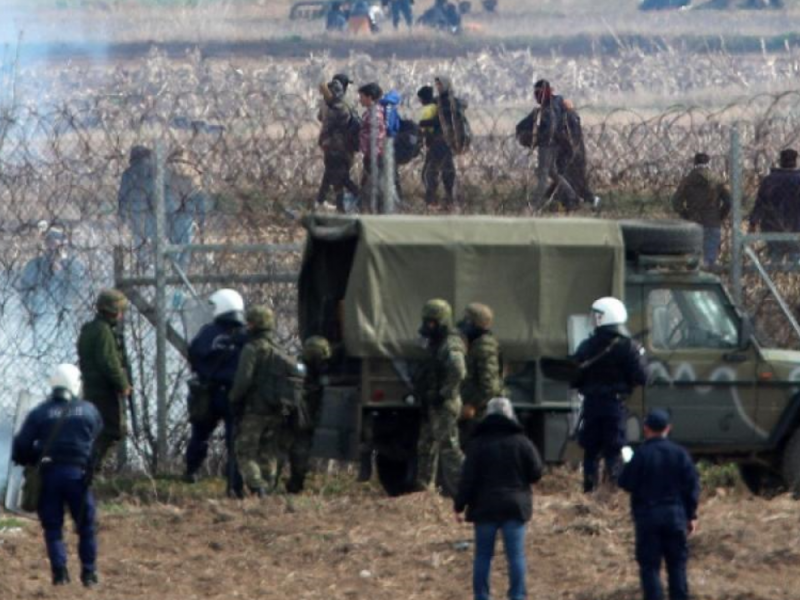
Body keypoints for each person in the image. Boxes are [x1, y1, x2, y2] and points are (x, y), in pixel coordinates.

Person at [12, 364, 103, 587]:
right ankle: (89, 574)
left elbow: (21, 447)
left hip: (49, 475)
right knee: (86, 527)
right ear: (76, 383)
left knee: (53, 527)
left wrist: (34, 458)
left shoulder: (40, 413)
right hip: (79, 477)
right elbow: (99, 441)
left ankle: (60, 573)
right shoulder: (89, 410)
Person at [454, 397, 543, 600]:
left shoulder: (476, 444)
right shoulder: (522, 442)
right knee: (515, 556)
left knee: (483, 556)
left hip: (484, 507)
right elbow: (536, 472)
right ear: (510, 415)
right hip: (515, 505)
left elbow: (467, 479)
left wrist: (459, 505)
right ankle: (517, 595)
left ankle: (482, 596)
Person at [619, 409, 700, 600]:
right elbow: (692, 487)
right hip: (675, 517)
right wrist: (691, 516)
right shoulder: (680, 454)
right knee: (677, 566)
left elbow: (625, 483)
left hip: (648, 518)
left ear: (646, 429)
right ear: (668, 428)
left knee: (650, 568)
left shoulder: (641, 455)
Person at [572, 296, 648, 493]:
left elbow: (574, 376)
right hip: (615, 405)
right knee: (614, 450)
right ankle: (612, 491)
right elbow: (643, 376)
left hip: (590, 404)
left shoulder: (587, 346)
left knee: (591, 451)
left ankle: (589, 491)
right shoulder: (629, 347)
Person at [229, 305, 302, 496]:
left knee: (245, 450)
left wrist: (233, 399)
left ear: (253, 324)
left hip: (255, 410)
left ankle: (257, 486)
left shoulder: (252, 349)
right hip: (277, 410)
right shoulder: (280, 350)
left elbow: (243, 380)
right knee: (269, 451)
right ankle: (268, 489)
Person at [184, 288, 247, 498]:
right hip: (234, 394)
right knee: (234, 441)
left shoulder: (207, 333)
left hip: (208, 393)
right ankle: (234, 485)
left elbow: (194, 354)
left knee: (200, 434)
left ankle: (191, 469)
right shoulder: (245, 337)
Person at [413, 298, 467, 495]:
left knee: (449, 448)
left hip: (445, 404)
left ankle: (463, 490)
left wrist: (444, 393)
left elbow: (458, 370)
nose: (428, 326)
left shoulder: (450, 344)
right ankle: (424, 488)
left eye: (432, 322)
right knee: (426, 446)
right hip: (433, 402)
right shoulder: (435, 342)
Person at [77, 289, 132, 472]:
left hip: (93, 389)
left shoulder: (91, 328)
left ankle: (89, 468)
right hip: (104, 391)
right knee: (112, 430)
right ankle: (89, 469)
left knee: (99, 430)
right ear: (114, 310)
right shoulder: (103, 331)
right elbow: (109, 363)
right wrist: (123, 384)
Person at [529, 79, 585, 211]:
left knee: (543, 175)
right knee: (552, 172)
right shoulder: (557, 102)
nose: (536, 96)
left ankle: (534, 206)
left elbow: (550, 128)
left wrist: (540, 139)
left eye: (538, 93)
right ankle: (572, 196)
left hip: (547, 145)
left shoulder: (549, 107)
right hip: (556, 144)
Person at [287, 336, 332, 493]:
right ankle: (295, 484)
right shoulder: (321, 369)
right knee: (300, 448)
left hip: (294, 413)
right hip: (303, 414)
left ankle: (291, 483)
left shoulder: (296, 365)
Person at [672, 152, 732, 267]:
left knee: (692, 260)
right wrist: (720, 216)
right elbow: (728, 201)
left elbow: (676, 202)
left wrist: (686, 215)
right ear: (709, 163)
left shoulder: (688, 180)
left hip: (693, 222)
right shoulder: (717, 180)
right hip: (712, 222)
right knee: (710, 259)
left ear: (695, 163)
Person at [16, 226, 87, 319]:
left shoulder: (74, 266)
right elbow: (24, 291)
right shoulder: (34, 265)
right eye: (48, 241)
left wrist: (59, 274)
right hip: (38, 315)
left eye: (57, 241)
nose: (52, 246)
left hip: (65, 316)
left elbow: (76, 294)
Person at [458, 303, 504, 443]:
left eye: (467, 319)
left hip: (479, 414)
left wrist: (472, 405)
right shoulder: (477, 344)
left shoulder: (484, 348)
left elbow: (489, 387)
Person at [749, 148, 800, 264]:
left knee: (775, 258)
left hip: (772, 226)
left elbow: (760, 204)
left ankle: (774, 278)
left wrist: (753, 223)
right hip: (796, 227)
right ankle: (793, 280)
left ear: (781, 161)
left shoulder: (769, 180)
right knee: (796, 259)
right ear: (795, 161)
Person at [316, 79, 360, 212]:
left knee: (338, 177)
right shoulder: (341, 105)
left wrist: (328, 101)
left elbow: (327, 119)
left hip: (337, 148)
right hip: (337, 148)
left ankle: (360, 198)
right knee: (336, 177)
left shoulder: (338, 106)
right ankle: (334, 205)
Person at [165, 148, 209, 272]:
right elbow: (200, 199)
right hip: (186, 214)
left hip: (167, 213)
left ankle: (169, 274)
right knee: (185, 248)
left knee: (170, 246)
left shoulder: (164, 170)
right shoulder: (193, 172)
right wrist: (202, 222)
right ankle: (180, 277)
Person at [117, 145, 156, 266]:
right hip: (152, 209)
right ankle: (155, 260)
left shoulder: (128, 173)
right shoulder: (154, 171)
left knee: (138, 238)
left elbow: (123, 195)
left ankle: (142, 262)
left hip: (135, 209)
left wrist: (122, 215)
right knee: (154, 236)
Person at [418, 85, 456, 207]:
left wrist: (421, 126)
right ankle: (449, 199)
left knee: (429, 172)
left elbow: (427, 129)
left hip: (436, 144)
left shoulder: (429, 109)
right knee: (447, 170)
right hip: (446, 143)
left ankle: (432, 200)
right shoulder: (440, 106)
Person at [357, 82, 387, 212]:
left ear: (370, 97)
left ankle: (380, 211)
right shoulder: (371, 112)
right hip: (372, 155)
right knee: (368, 184)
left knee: (375, 185)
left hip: (375, 156)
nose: (360, 99)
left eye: (362, 96)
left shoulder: (374, 114)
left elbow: (376, 137)